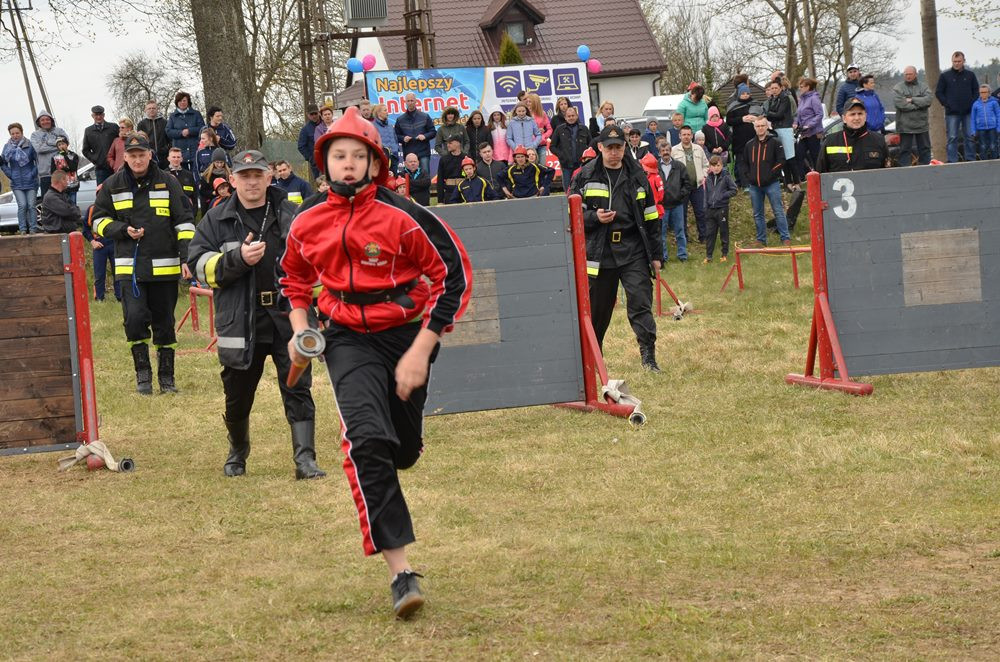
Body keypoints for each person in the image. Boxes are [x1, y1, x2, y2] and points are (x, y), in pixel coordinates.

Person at [279, 106, 472, 619]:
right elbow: (293, 279)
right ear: (324, 162)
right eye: (338, 155)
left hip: (405, 334)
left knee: (401, 451)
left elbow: (453, 275)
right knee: (366, 443)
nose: (347, 163)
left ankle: (403, 439)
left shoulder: (403, 215)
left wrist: (421, 349)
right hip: (345, 338)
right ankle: (401, 573)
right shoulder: (306, 220)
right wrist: (301, 329)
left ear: (374, 163)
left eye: (357, 155)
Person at [188, 149, 325, 480]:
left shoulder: (293, 214)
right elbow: (198, 266)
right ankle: (237, 453)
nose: (251, 182)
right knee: (237, 393)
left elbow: (317, 266)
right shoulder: (216, 219)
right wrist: (238, 259)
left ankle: (305, 460)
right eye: (244, 176)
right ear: (232, 180)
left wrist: (323, 313)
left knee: (298, 387)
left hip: (287, 316)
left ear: (269, 177)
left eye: (257, 175)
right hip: (241, 320)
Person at [91, 133, 195, 394]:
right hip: (130, 269)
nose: (137, 160)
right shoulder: (112, 185)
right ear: (125, 157)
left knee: (165, 324)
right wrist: (122, 230)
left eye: (142, 155)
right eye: (132, 155)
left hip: (165, 268)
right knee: (135, 321)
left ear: (150, 155)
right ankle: (143, 377)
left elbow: (184, 221)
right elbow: (98, 222)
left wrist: (187, 258)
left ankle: (167, 379)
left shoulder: (169, 182)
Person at [569, 122, 660, 371]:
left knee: (641, 303)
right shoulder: (584, 176)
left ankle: (649, 357)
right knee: (597, 312)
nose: (614, 152)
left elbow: (652, 217)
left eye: (618, 147)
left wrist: (656, 255)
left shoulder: (638, 175)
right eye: (609, 148)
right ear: (600, 147)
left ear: (625, 147)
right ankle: (593, 361)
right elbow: (571, 214)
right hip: (600, 253)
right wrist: (594, 217)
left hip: (633, 250)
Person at [742, 117, 790, 246]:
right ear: (754, 128)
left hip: (772, 184)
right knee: (758, 214)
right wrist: (749, 176)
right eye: (758, 126)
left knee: (778, 211)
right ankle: (761, 240)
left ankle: (785, 238)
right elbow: (744, 163)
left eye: (762, 125)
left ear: (766, 126)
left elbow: (781, 161)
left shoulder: (775, 142)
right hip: (754, 185)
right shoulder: (749, 145)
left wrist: (770, 174)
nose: (760, 128)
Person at [816, 97, 888, 173]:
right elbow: (820, 173)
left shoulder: (879, 140)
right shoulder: (830, 142)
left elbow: (889, 173)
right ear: (844, 118)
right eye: (852, 114)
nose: (857, 118)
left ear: (865, 116)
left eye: (860, 114)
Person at [936, 51, 980, 163]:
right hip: (952, 113)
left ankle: (970, 159)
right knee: (952, 137)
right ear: (952, 61)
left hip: (968, 112)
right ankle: (952, 161)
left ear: (964, 61)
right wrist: (947, 104)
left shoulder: (970, 75)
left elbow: (976, 91)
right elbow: (939, 92)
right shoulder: (945, 76)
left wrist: (972, 103)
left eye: (959, 61)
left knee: (970, 136)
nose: (956, 63)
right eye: (954, 61)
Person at [656, 137, 692, 263]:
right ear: (659, 152)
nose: (665, 152)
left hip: (677, 205)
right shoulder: (655, 166)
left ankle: (682, 255)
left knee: (680, 231)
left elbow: (687, 183)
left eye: (667, 150)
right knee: (661, 233)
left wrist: (680, 195)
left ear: (671, 151)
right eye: (663, 150)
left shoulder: (679, 166)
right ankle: (663, 256)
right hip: (661, 206)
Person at [672, 126, 708, 242]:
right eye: (684, 134)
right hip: (682, 188)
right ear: (680, 136)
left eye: (688, 134)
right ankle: (684, 238)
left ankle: (703, 236)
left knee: (700, 212)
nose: (686, 137)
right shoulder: (674, 150)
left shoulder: (698, 149)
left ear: (692, 136)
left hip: (697, 186)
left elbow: (706, 165)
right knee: (682, 214)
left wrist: (703, 176)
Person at [892, 67, 934, 167]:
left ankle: (925, 169)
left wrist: (912, 100)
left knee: (925, 149)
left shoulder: (924, 87)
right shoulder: (898, 88)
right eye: (906, 74)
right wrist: (919, 106)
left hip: (922, 125)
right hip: (904, 126)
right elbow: (900, 104)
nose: (908, 76)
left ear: (915, 74)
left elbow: (928, 100)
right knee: (904, 150)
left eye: (910, 74)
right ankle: (905, 171)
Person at [2, 123, 39, 234]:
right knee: (22, 205)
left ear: (22, 132)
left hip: (31, 181)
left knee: (31, 205)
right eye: (12, 133)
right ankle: (23, 229)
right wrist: (11, 174)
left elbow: (38, 160)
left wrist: (32, 173)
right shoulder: (7, 147)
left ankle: (33, 229)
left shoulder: (30, 145)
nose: (15, 135)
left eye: (17, 133)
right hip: (16, 182)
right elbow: (2, 163)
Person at [85, 194, 121, 302]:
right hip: (99, 244)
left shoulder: (115, 208)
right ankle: (99, 298)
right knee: (99, 274)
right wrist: (92, 241)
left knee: (118, 272)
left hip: (114, 243)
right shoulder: (92, 209)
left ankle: (120, 297)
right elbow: (85, 229)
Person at [763, 79, 799, 187]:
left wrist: (768, 114)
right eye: (772, 88)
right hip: (776, 129)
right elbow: (773, 115)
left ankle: (796, 181)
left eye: (776, 88)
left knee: (790, 156)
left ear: (781, 88)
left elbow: (779, 114)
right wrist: (770, 114)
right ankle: (788, 182)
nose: (774, 90)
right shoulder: (772, 99)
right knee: (782, 157)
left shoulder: (785, 98)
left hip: (785, 129)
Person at [702, 155, 738, 263]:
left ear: (722, 165)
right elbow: (706, 194)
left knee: (723, 231)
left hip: (722, 208)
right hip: (710, 209)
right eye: (713, 166)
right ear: (710, 167)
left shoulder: (726, 176)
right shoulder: (708, 178)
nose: (716, 168)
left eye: (718, 165)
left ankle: (724, 254)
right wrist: (705, 207)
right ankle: (709, 256)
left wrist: (723, 195)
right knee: (710, 233)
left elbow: (734, 190)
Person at [30, 109, 69, 198]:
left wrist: (46, 143)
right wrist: (57, 144)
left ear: (51, 120)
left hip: (61, 172)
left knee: (64, 200)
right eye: (42, 120)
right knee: (48, 200)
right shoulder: (35, 135)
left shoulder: (59, 131)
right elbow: (39, 149)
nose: (45, 122)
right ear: (39, 122)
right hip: (45, 174)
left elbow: (65, 144)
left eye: (47, 119)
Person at [726, 84, 760, 184]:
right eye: (743, 93)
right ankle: (744, 183)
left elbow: (762, 117)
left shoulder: (755, 104)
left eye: (747, 93)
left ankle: (754, 180)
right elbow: (729, 121)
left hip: (753, 136)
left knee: (754, 159)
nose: (745, 95)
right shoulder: (733, 106)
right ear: (739, 94)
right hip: (739, 138)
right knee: (741, 160)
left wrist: (755, 118)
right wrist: (742, 119)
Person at [395, 92, 436, 174]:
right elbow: (396, 136)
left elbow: (433, 132)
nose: (410, 103)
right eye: (408, 101)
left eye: (412, 100)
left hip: (423, 152)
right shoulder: (400, 119)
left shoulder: (425, 116)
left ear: (416, 101)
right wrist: (403, 138)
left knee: (425, 175)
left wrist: (425, 136)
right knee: (410, 177)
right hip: (409, 153)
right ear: (405, 102)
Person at [166, 91, 205, 174]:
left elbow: (202, 128)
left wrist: (190, 131)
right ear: (177, 103)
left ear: (188, 102)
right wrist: (181, 133)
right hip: (180, 151)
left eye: (184, 100)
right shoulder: (173, 116)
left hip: (195, 149)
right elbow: (168, 131)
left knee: (196, 173)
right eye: (180, 101)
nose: (182, 103)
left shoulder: (196, 114)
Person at [38, 170, 85, 234]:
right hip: (56, 230)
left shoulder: (62, 194)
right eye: (67, 180)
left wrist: (75, 211)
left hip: (63, 229)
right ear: (62, 181)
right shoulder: (51, 197)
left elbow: (74, 208)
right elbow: (68, 212)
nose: (68, 183)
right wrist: (75, 212)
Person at [550, 106, 590, 178]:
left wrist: (586, 157)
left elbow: (591, 144)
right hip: (566, 165)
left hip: (581, 164)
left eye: (573, 115)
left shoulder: (584, 128)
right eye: (569, 116)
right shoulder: (559, 129)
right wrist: (562, 156)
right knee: (567, 185)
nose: (571, 118)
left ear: (577, 116)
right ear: (565, 117)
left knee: (581, 184)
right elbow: (552, 146)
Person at [794, 77, 825, 172]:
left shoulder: (814, 98)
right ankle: (803, 177)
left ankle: (819, 175)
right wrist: (795, 123)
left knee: (815, 157)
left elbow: (819, 114)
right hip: (804, 133)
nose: (799, 88)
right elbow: (798, 114)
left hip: (814, 133)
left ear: (808, 87)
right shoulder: (802, 99)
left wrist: (809, 125)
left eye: (801, 86)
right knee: (799, 155)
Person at [82, 105, 118, 184]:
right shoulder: (88, 131)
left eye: (100, 114)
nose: (98, 117)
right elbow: (85, 150)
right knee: (102, 191)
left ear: (104, 115)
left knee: (119, 189)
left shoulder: (113, 127)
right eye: (96, 115)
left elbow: (120, 142)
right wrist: (96, 159)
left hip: (115, 167)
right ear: (92, 116)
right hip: (101, 169)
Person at [137, 100, 171, 166]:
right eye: (149, 108)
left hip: (164, 156)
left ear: (157, 109)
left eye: (153, 108)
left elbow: (170, 139)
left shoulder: (165, 122)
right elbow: (140, 141)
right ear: (145, 110)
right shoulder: (141, 124)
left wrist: (167, 149)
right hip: (149, 156)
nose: (151, 110)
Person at [970, 84, 1000, 160]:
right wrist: (973, 131)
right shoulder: (975, 104)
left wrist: (998, 127)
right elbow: (973, 118)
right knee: (983, 146)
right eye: (981, 92)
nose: (983, 94)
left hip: (992, 127)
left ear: (989, 93)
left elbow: (998, 115)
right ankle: (984, 162)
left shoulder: (994, 103)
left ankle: (995, 161)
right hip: (981, 128)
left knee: (993, 145)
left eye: (985, 92)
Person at [166, 146, 199, 213]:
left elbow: (194, 196)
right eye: (173, 157)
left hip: (187, 212)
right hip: (171, 213)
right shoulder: (164, 175)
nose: (176, 159)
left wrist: (193, 213)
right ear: (168, 158)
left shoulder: (189, 175)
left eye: (178, 157)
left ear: (182, 159)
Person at [200, 148, 232, 212]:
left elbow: (233, 188)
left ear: (224, 162)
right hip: (211, 205)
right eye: (217, 162)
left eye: (221, 162)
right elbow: (202, 191)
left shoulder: (229, 174)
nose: (219, 165)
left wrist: (227, 192)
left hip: (227, 204)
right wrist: (212, 193)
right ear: (213, 162)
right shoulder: (206, 175)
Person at [50, 136, 80, 204]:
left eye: (63, 144)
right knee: (63, 205)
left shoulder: (73, 155)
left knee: (72, 204)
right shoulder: (55, 157)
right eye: (59, 145)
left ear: (67, 144)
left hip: (72, 185)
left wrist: (65, 156)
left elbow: (73, 168)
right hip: (61, 186)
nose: (61, 146)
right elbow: (53, 172)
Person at [437, 135, 466, 204]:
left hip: (464, 191)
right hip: (449, 193)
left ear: (458, 143)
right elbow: (440, 180)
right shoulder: (443, 159)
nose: (448, 145)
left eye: (450, 143)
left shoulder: (466, 158)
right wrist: (440, 200)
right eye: (447, 143)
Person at [525, 93, 553, 164]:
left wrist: (544, 136)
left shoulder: (542, 113)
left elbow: (549, 129)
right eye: (527, 102)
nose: (527, 103)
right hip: (530, 145)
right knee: (531, 166)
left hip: (542, 145)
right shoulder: (525, 114)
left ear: (535, 103)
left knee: (542, 166)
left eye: (530, 102)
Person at [371, 103, 399, 173]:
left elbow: (395, 139)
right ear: (379, 113)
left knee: (394, 178)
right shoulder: (372, 126)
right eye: (385, 110)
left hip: (394, 157)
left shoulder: (390, 126)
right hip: (382, 158)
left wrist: (396, 149)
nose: (387, 112)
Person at [298, 103, 322, 178]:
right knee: (321, 183)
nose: (314, 116)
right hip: (317, 164)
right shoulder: (305, 130)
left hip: (330, 160)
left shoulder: (325, 124)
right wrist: (311, 158)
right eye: (311, 114)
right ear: (307, 115)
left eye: (315, 113)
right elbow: (301, 146)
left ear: (318, 112)